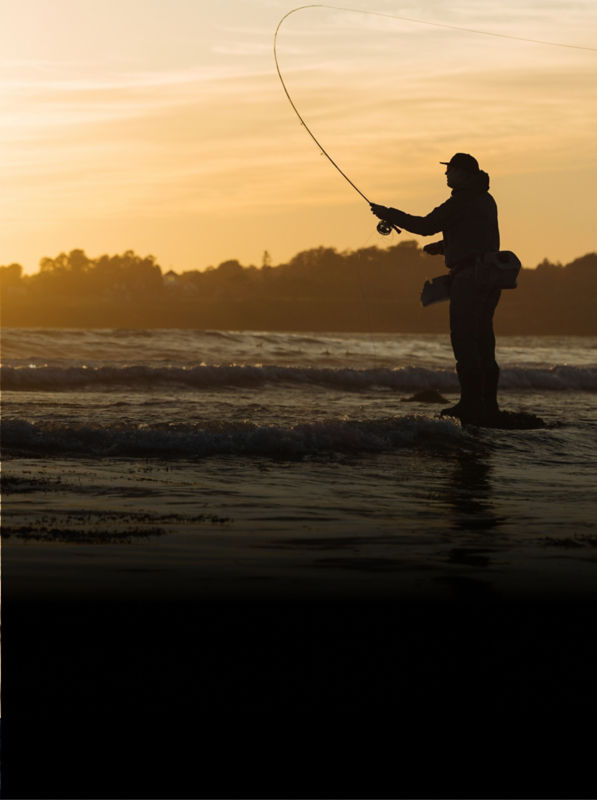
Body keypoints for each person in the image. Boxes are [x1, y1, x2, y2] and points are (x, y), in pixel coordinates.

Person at [371, 152, 501, 424]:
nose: (446, 174)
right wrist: (445, 247)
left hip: (469, 278)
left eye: (450, 169)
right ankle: (488, 406)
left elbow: (425, 225)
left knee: (464, 339)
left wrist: (389, 213)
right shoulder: (486, 199)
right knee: (484, 340)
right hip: (490, 277)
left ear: (463, 174)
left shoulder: (462, 200)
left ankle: (470, 406)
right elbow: (478, 236)